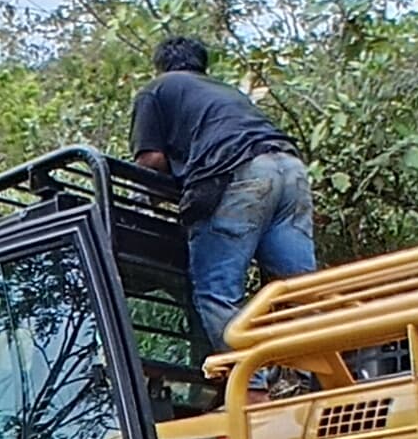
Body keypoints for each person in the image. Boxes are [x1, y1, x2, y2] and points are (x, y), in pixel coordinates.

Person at [130, 33, 316, 353]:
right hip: (291, 168)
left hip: (238, 172)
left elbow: (151, 160)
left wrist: (145, 200)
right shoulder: (226, 92)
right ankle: (328, 372)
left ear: (159, 67)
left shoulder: (156, 90)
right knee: (300, 290)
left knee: (215, 291)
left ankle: (253, 391)